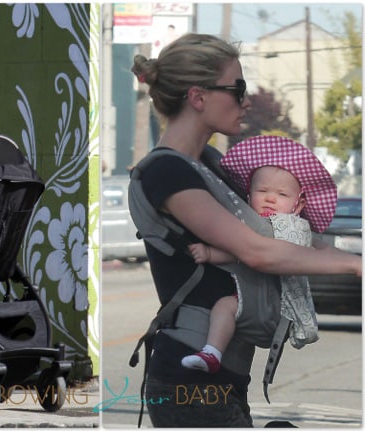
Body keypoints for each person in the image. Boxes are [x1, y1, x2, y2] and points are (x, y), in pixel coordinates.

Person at [130, 33, 361, 427]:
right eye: (237, 89)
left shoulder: (211, 163)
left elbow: (285, 233)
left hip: (228, 375)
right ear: (198, 97)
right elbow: (256, 251)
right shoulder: (164, 172)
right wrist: (354, 266)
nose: (246, 100)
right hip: (189, 380)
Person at [183, 135, 337, 373]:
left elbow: (248, 251)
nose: (270, 198)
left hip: (274, 302)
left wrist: (211, 254)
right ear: (247, 195)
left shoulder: (293, 227)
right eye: (262, 190)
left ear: (299, 204)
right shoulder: (250, 223)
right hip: (254, 295)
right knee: (225, 306)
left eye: (282, 195)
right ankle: (212, 354)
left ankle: (212, 351)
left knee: (225, 306)